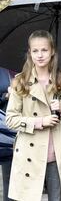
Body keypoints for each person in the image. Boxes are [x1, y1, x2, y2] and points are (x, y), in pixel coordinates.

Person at [5, 30, 61, 200]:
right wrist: (40, 121)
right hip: (30, 155)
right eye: (35, 51)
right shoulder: (20, 81)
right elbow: (10, 119)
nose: (40, 55)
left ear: (52, 51)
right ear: (30, 53)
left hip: (59, 153)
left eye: (44, 50)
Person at [0, 67, 15, 201]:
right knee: (9, 178)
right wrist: (6, 95)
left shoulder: (28, 70)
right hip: (6, 131)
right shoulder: (2, 71)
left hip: (28, 127)